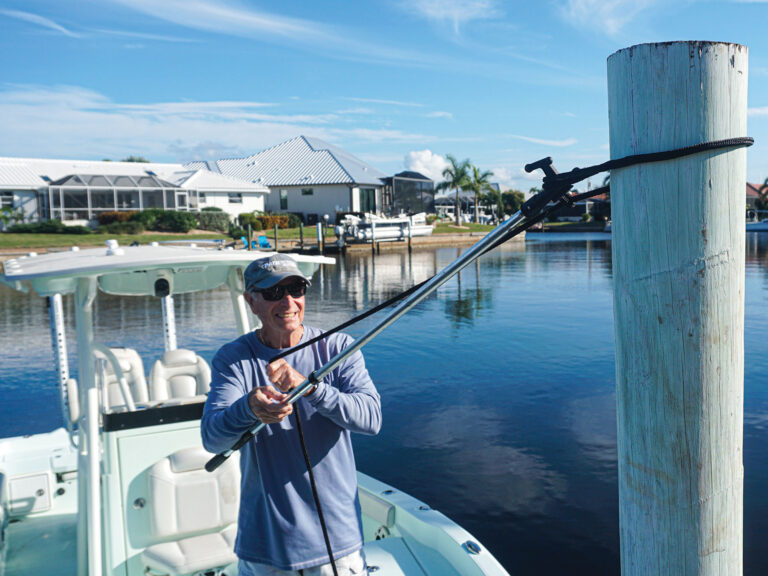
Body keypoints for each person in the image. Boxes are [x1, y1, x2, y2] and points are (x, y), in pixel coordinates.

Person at [201, 254, 381, 576]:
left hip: (337, 545)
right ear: (251, 302)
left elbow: (371, 418)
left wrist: (313, 389)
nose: (288, 301)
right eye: (273, 292)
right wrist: (249, 408)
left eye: (296, 288)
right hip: (265, 547)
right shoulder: (233, 359)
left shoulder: (337, 347)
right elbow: (213, 439)